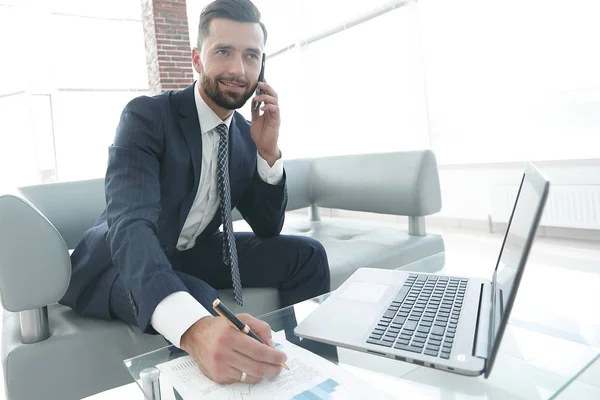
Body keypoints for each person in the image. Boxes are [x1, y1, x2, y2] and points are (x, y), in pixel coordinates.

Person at [59, 0, 330, 385]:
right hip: (120, 259)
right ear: (197, 59)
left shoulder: (243, 136)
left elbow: (269, 226)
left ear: (262, 67)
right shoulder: (147, 117)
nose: (238, 69)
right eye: (223, 51)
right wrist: (194, 326)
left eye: (250, 56)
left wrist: (267, 152)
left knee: (309, 255)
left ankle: (313, 374)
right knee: (200, 300)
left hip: (190, 253)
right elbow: (131, 225)